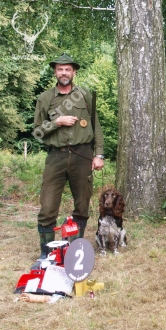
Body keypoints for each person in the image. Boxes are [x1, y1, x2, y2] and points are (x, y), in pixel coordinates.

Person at [32, 53, 105, 268]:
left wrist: (98, 154)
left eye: (68, 69)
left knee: (82, 204)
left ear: (74, 72)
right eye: (60, 69)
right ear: (55, 72)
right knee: (47, 206)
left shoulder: (85, 95)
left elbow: (96, 127)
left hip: (83, 156)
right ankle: (46, 254)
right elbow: (37, 132)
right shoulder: (44, 98)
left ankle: (76, 249)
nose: (64, 73)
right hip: (56, 156)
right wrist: (57, 122)